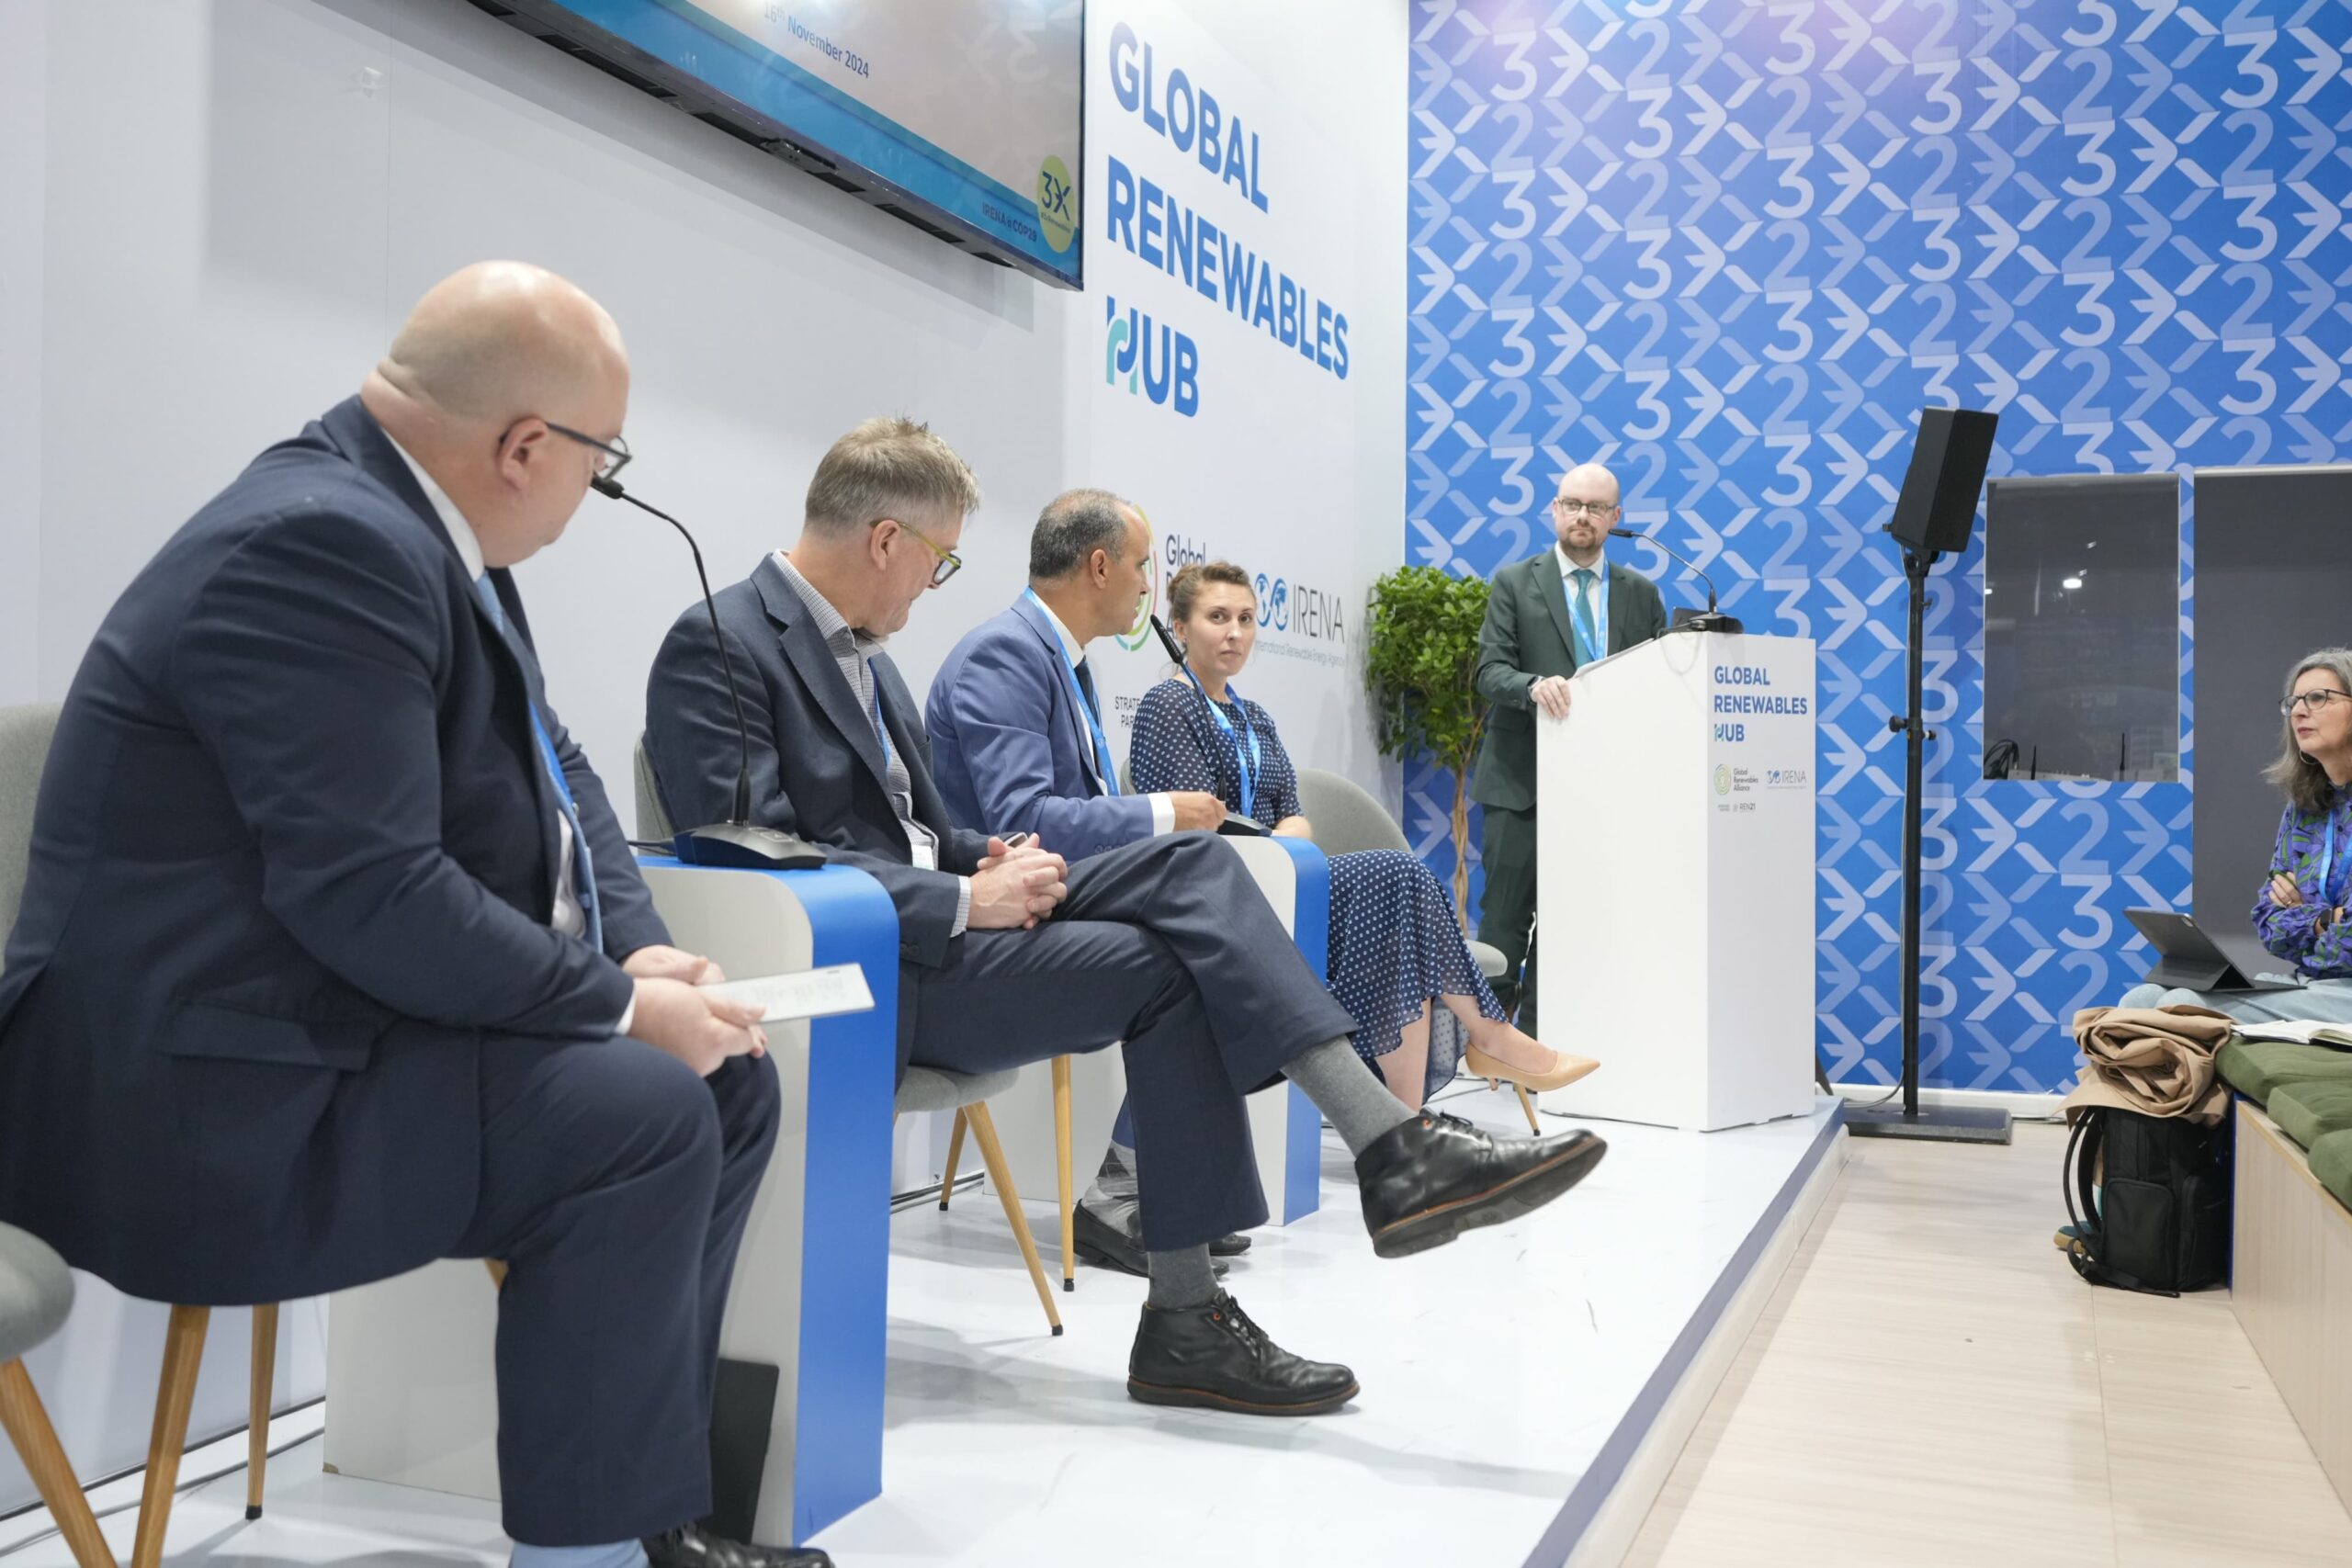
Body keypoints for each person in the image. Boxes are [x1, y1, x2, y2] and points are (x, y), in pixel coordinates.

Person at [0, 264, 814, 1568]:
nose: (593, 497)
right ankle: (588, 1550)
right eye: (602, 467)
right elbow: (373, 895)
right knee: (646, 1109)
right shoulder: (323, 543)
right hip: (200, 1097)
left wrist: (634, 943)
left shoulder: (420, 525)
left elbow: (556, 763)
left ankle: (648, 1515)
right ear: (524, 445)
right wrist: (617, 1006)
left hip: (314, 1026)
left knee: (721, 1087)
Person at [643, 420, 1611, 1418]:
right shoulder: (718, 642)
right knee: (1189, 888)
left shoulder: (872, 661)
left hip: (949, 923)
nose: (933, 587)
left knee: (1181, 926)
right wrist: (960, 897)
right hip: (874, 965)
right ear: (887, 540)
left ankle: (1206, 1304)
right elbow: (749, 856)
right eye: (939, 561)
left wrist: (984, 860)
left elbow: (918, 829)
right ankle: (1377, 1157)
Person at [1131, 560, 1600, 1110]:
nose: (1235, 632)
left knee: (1397, 917)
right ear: (1181, 628)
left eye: (1246, 618)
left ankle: (1406, 1120)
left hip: (1281, 881)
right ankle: (1490, 1038)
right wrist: (1282, 843)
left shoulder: (1253, 716)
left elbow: (1295, 814)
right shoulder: (1170, 705)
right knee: (1395, 874)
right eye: (1218, 617)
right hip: (1222, 895)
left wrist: (1286, 841)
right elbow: (1197, 828)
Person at [1470, 462, 1668, 1033]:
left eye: (1596, 508)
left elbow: (1655, 683)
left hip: (1604, 788)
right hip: (1520, 782)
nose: (1583, 517)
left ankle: (1539, 1044)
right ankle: (1483, 1045)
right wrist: (1532, 686)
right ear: (1554, 510)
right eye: (1572, 504)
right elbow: (1489, 671)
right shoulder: (1515, 581)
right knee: (1505, 922)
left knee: (1573, 924)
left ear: (1616, 518)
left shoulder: (1641, 593)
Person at [2120, 649, 2352, 1023]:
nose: (2298, 711)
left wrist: (2306, 917)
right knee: (2141, 999)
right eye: (2293, 701)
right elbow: (2268, 922)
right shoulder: (2305, 809)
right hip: (2311, 983)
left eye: (2318, 698)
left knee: (2181, 1007)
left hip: (2342, 994)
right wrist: (2327, 919)